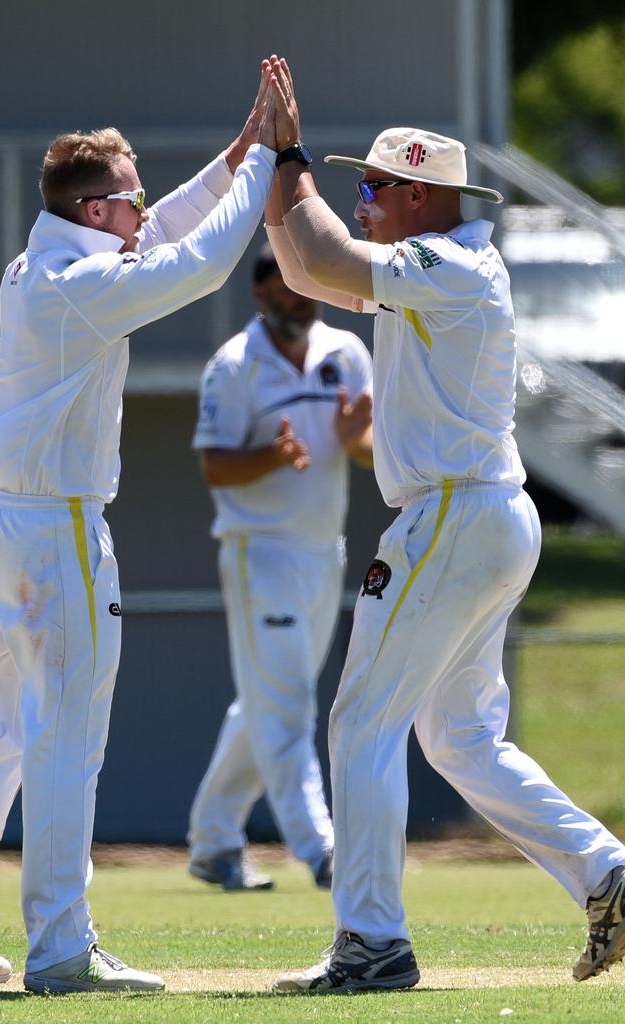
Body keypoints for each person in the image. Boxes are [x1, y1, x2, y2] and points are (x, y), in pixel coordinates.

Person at [0, 68, 282, 995]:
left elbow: (160, 233)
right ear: (94, 208)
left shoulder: (51, 256)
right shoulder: (76, 284)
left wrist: (236, 155)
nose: (144, 206)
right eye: (132, 195)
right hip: (58, 531)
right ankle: (62, 948)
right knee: (65, 734)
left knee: (0, 725)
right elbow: (195, 266)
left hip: (3, 523)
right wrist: (271, 161)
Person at [260, 55, 625, 993]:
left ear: (420, 194)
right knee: (460, 740)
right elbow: (306, 264)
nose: (368, 199)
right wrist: (276, 170)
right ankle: (607, 873)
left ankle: (373, 943)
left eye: (377, 185)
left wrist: (291, 153)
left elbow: (328, 256)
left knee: (361, 722)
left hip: (454, 516)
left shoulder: (447, 261)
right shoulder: (438, 266)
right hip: (482, 514)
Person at [187, 244, 373, 892]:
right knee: (288, 703)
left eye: (307, 291)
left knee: (267, 701)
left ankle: (213, 841)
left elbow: (374, 452)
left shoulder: (347, 353)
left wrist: (356, 443)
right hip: (257, 550)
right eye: (288, 292)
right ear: (261, 295)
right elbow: (215, 466)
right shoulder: (234, 367)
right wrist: (269, 456)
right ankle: (322, 850)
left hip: (325, 552)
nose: (301, 302)